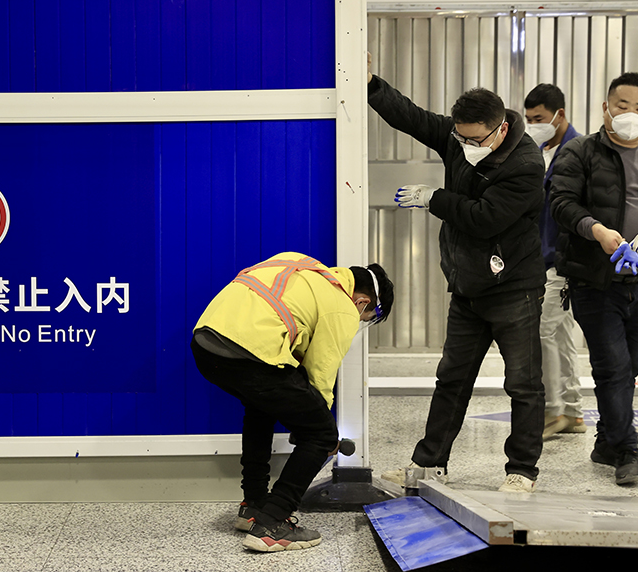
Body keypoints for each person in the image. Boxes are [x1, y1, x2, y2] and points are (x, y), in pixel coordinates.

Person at [367, 55, 546, 493]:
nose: (465, 145)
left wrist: (435, 198)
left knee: (522, 384)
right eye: (459, 136)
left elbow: (485, 218)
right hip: (467, 287)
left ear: (500, 128)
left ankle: (522, 470)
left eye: (474, 139)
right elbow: (412, 118)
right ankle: (429, 464)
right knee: (451, 379)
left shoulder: (525, 164)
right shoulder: (459, 137)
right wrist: (371, 83)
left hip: (514, 289)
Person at [192, 251, 394, 553]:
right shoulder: (342, 306)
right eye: (366, 317)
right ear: (363, 301)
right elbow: (319, 376)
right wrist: (319, 431)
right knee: (322, 434)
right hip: (251, 352)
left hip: (206, 345)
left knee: (261, 408)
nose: (359, 321)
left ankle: (253, 506)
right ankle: (273, 523)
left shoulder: (301, 265)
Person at [550, 72, 638, 485]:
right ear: (606, 109)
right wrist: (598, 231)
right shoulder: (580, 152)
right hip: (594, 281)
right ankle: (628, 451)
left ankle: (605, 442)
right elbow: (561, 203)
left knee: (628, 368)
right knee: (612, 368)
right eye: (622, 106)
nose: (631, 113)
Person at [524, 84, 587, 439]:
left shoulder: (578, 151)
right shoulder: (541, 151)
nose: (534, 125)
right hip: (544, 258)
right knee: (560, 334)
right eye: (529, 119)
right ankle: (573, 412)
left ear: (559, 115)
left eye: (539, 118)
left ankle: (553, 411)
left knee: (543, 330)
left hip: (563, 259)